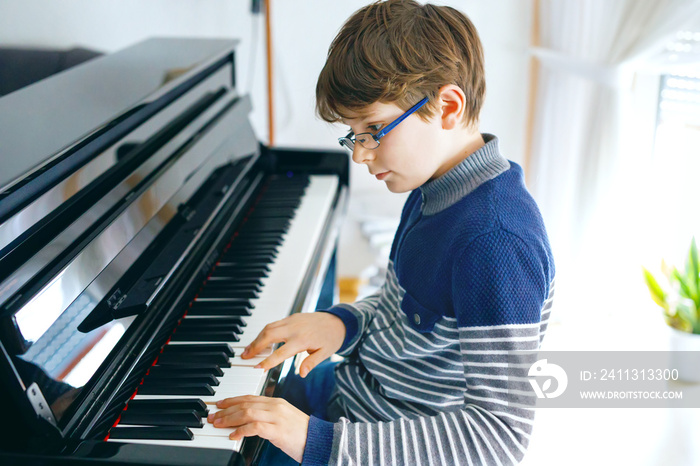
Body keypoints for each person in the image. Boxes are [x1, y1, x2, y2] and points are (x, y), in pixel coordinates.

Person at [207, 1, 555, 464]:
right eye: (353, 134)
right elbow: (405, 314)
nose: (360, 154)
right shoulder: (434, 186)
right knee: (218, 399)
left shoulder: (495, 242)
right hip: (354, 397)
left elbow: (498, 438)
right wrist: (344, 322)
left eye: (374, 128)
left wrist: (313, 439)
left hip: (376, 445)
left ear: (448, 107)